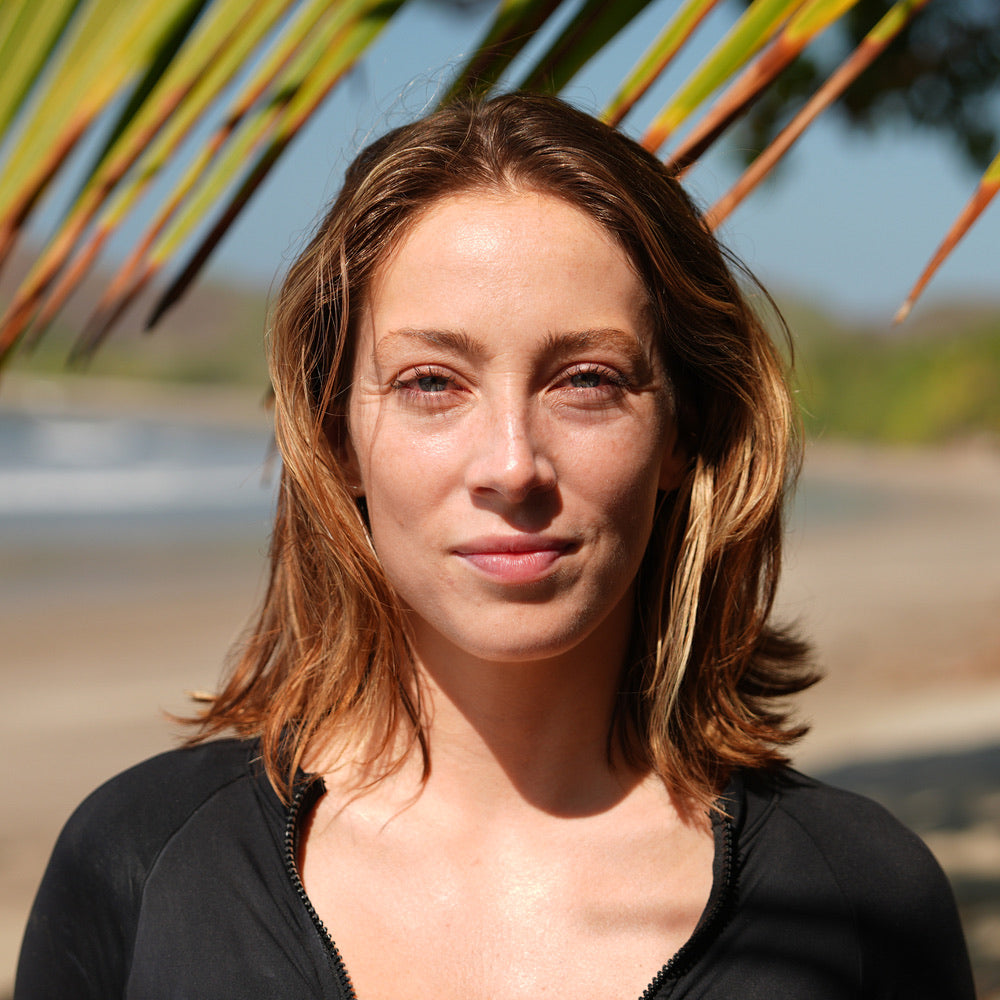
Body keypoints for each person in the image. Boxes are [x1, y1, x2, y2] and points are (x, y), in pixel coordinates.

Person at [16, 93, 973, 999]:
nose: (513, 466)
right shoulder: (137, 863)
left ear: (685, 430)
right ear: (337, 436)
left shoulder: (864, 899)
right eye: (432, 383)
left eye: (587, 380)